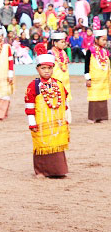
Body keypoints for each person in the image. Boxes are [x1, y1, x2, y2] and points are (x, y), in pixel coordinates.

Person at [24, 45, 69, 177]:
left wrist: (65, 118)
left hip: (57, 124)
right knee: (41, 144)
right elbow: (29, 105)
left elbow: (65, 102)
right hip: (41, 124)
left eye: (49, 68)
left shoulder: (59, 84)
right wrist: (32, 122)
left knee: (57, 144)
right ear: (37, 69)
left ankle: (58, 170)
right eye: (43, 68)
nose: (46, 71)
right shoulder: (33, 86)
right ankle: (41, 171)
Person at [85, 29, 110, 123]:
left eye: (105, 40)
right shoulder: (90, 51)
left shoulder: (105, 52)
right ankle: (93, 117)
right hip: (94, 80)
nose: (105, 42)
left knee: (103, 98)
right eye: (103, 40)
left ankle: (102, 117)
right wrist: (88, 78)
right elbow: (86, 65)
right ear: (96, 40)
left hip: (103, 80)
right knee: (94, 97)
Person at [49, 32, 72, 122]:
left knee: (65, 100)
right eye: (62, 42)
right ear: (55, 43)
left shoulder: (63, 53)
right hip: (55, 81)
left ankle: (66, 118)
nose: (64, 44)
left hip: (65, 82)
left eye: (64, 42)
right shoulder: (50, 53)